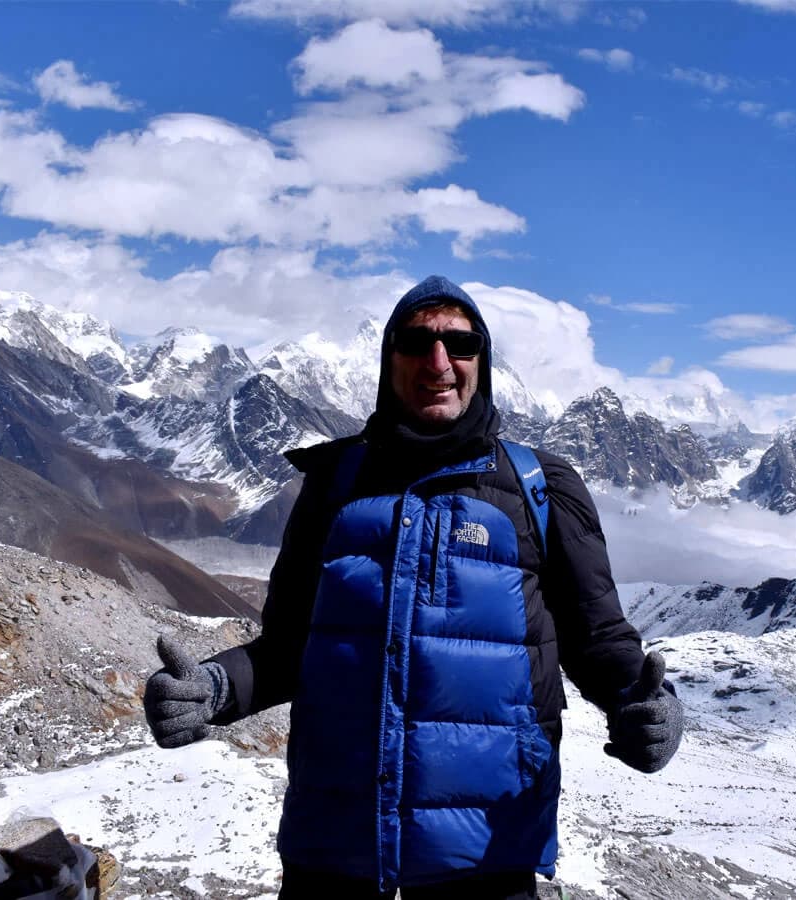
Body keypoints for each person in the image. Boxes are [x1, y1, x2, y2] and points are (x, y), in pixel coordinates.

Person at [144, 275, 683, 899]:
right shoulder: (332, 484)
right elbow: (292, 647)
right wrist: (213, 687)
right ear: (388, 358)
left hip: (486, 852)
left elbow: (598, 638)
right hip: (335, 849)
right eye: (416, 342)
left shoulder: (541, 487)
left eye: (460, 343)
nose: (438, 362)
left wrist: (645, 705)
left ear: (482, 360)